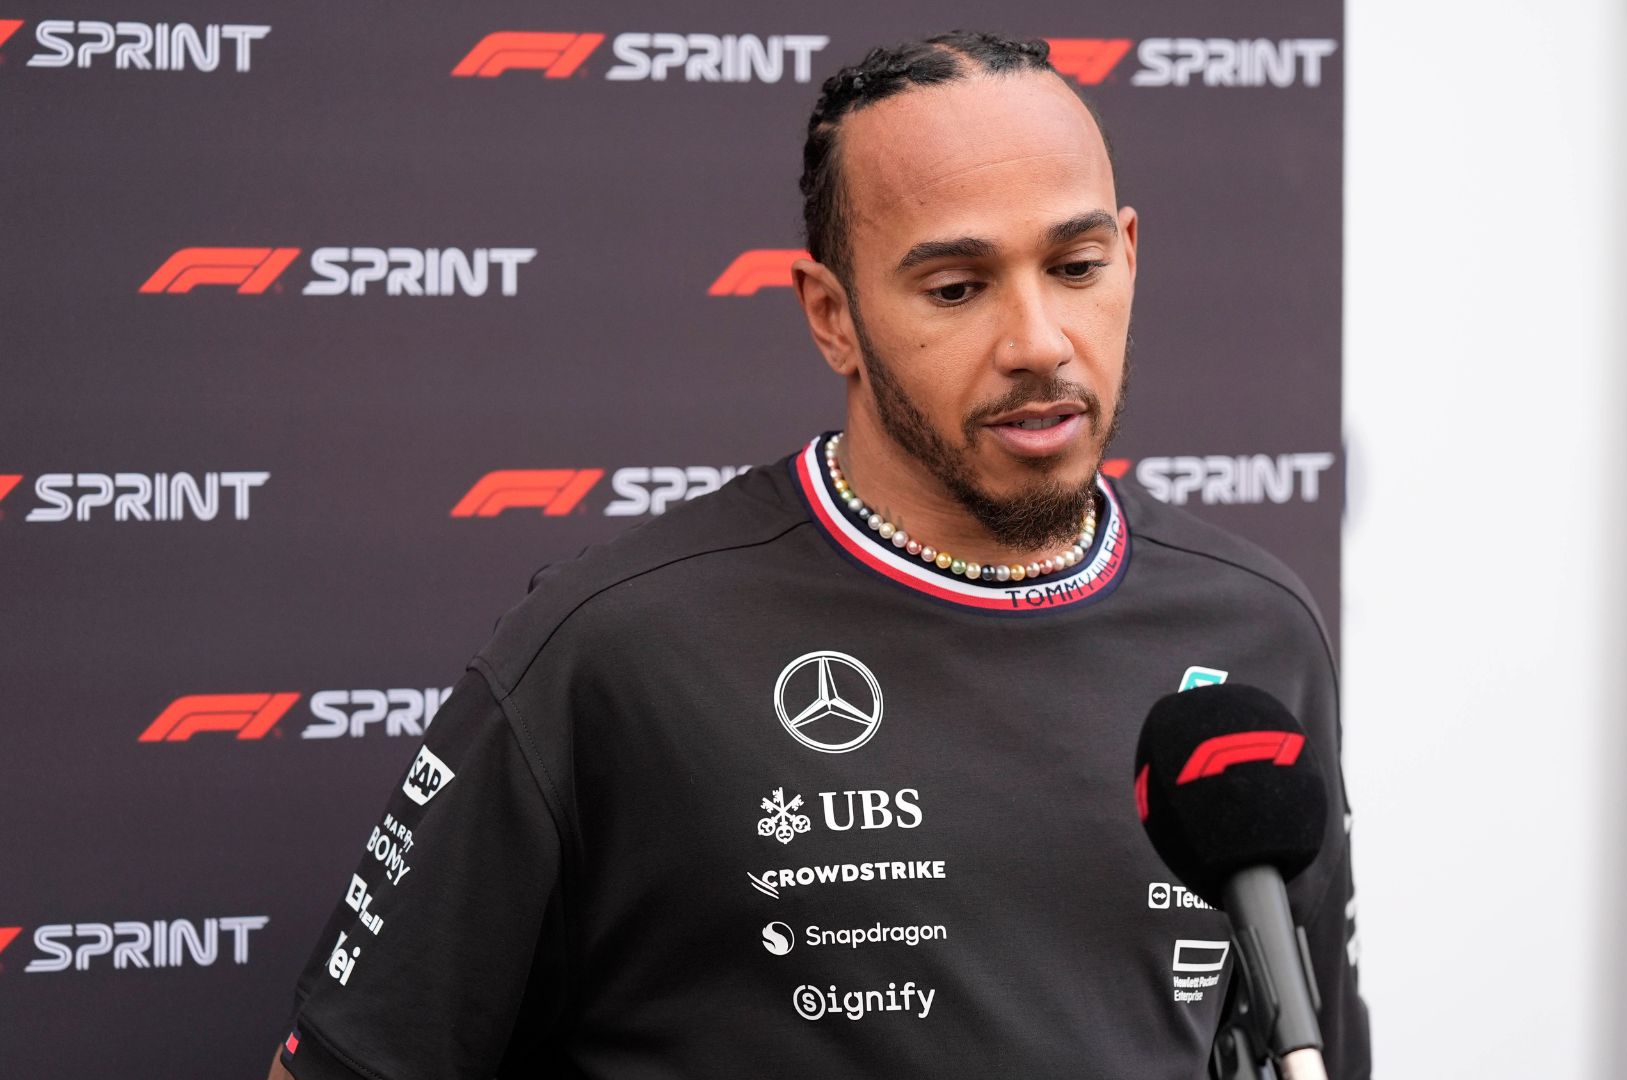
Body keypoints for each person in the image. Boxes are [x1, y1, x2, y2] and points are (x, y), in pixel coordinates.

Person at [269, 30, 1368, 1080]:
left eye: (1076, 266)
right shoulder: (616, 649)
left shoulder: (1256, 630)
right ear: (831, 316)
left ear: (1129, 256)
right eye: (957, 288)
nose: (1038, 341)